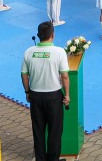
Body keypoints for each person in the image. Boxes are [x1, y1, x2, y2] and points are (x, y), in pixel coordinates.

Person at [21, 21, 70, 161]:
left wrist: (27, 92)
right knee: (54, 132)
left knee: (38, 131)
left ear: (39, 35)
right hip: (54, 97)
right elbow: (65, 76)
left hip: (35, 96)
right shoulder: (60, 52)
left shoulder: (28, 52)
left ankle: (40, 158)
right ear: (52, 35)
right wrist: (67, 95)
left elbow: (24, 75)